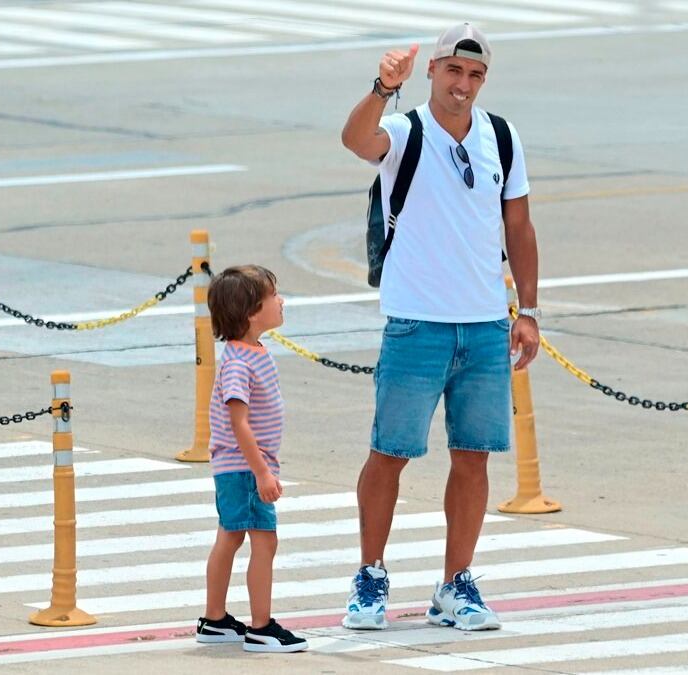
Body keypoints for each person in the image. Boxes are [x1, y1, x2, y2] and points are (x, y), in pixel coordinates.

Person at [340, 23, 541, 631]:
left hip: (482, 327)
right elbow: (355, 140)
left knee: (474, 458)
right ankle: (370, 576)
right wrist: (382, 87)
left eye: (476, 76)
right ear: (432, 71)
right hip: (417, 322)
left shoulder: (500, 137)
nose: (464, 85)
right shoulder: (406, 131)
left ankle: (456, 584)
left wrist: (527, 310)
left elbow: (520, 227)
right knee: (390, 453)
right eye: (454, 71)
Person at [194, 265, 308, 653]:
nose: (281, 301)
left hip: (240, 466)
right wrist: (261, 472)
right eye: (273, 296)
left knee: (230, 535)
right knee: (264, 541)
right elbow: (238, 421)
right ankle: (261, 626)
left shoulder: (250, 351)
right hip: (244, 467)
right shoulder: (240, 362)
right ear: (251, 313)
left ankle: (215, 619)